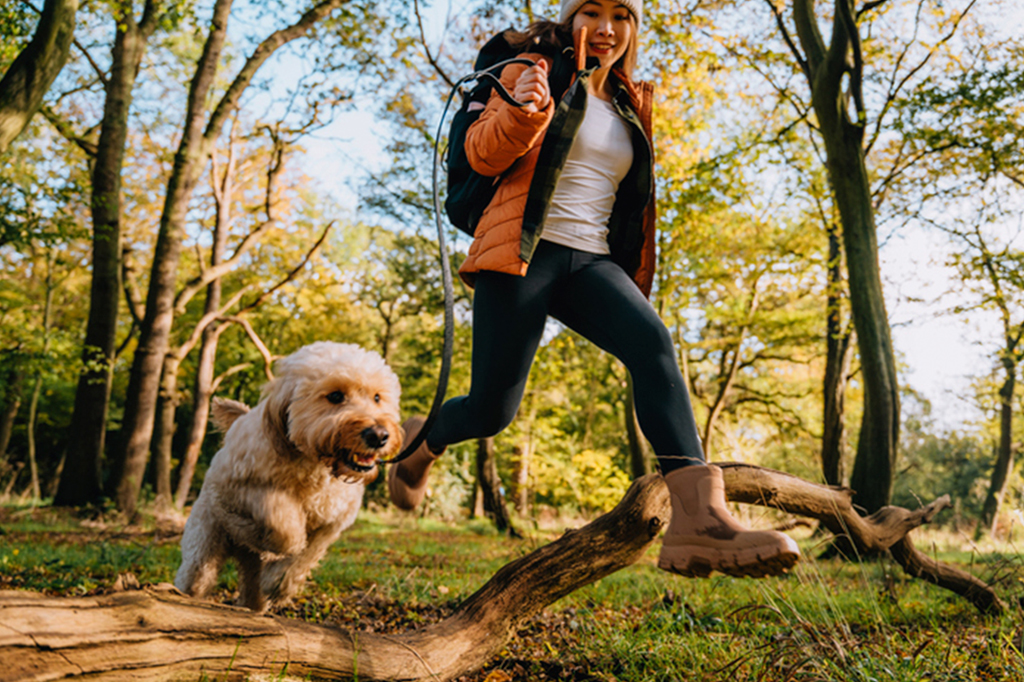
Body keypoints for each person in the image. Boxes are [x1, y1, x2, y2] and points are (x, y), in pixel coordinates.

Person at [389, 0, 800, 578]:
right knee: (491, 409)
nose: (606, 28)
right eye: (591, 11)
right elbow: (480, 155)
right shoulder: (529, 68)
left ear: (634, 27)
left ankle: (699, 522)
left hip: (592, 262)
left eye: (621, 15)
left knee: (653, 344)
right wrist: (526, 111)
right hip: (523, 251)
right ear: (570, 18)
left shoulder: (630, 101)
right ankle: (424, 441)